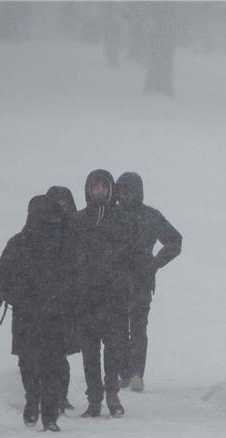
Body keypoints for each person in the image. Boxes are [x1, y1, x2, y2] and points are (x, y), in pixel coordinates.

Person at [0, 195, 79, 431]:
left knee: (53, 364)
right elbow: (4, 273)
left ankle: (49, 416)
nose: (55, 220)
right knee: (27, 362)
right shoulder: (18, 243)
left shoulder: (65, 243)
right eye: (50, 215)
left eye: (57, 216)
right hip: (26, 315)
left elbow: (76, 274)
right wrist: (2, 292)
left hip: (54, 314)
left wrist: (74, 299)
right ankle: (32, 398)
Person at [74, 169, 137, 418]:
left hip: (115, 297)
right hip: (86, 298)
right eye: (95, 187)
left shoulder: (123, 220)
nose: (99, 191)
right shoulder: (79, 221)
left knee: (114, 349)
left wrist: (131, 283)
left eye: (103, 187)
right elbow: (70, 257)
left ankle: (112, 394)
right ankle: (94, 400)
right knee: (90, 351)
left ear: (110, 190)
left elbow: (134, 255)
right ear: (89, 190)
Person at [115, 172, 182, 392]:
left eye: (129, 191)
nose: (125, 196)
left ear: (138, 192)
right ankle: (123, 373)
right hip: (113, 282)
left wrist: (154, 264)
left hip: (141, 282)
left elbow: (175, 240)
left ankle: (135, 374)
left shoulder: (151, 216)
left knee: (137, 328)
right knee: (116, 329)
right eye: (122, 191)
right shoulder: (111, 215)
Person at [46, 186, 79, 413]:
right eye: (57, 203)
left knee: (59, 353)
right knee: (42, 353)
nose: (61, 207)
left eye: (65, 203)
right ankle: (43, 395)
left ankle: (60, 396)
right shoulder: (38, 230)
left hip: (66, 300)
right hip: (43, 300)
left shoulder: (76, 231)